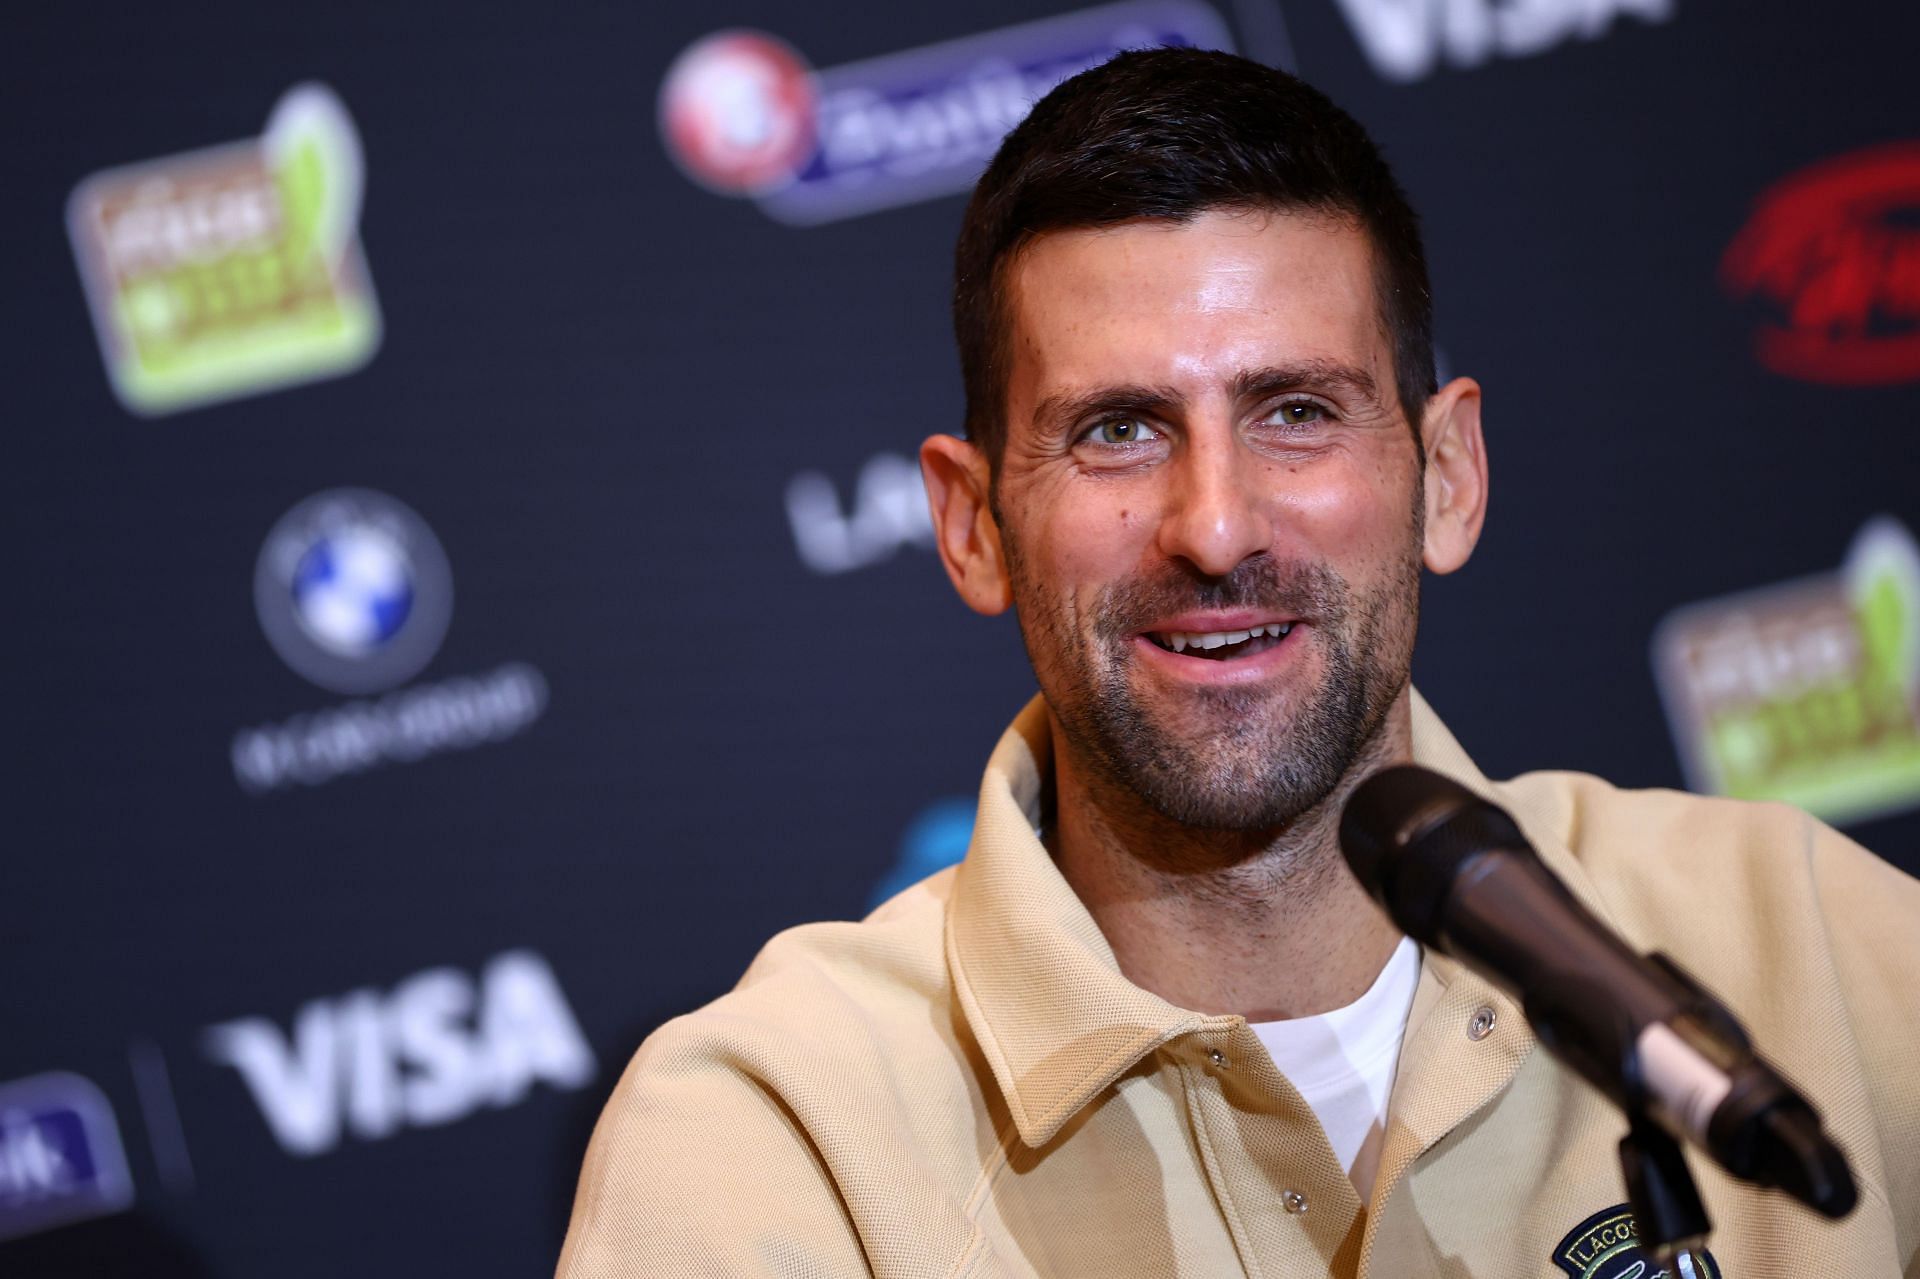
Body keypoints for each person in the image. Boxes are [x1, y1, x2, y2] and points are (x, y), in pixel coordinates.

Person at [558, 49, 1920, 1278]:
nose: (1214, 527)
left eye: (1295, 411)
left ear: (1448, 475)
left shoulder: (1800, 938)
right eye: (1118, 432)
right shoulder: (776, 1138)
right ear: (973, 528)